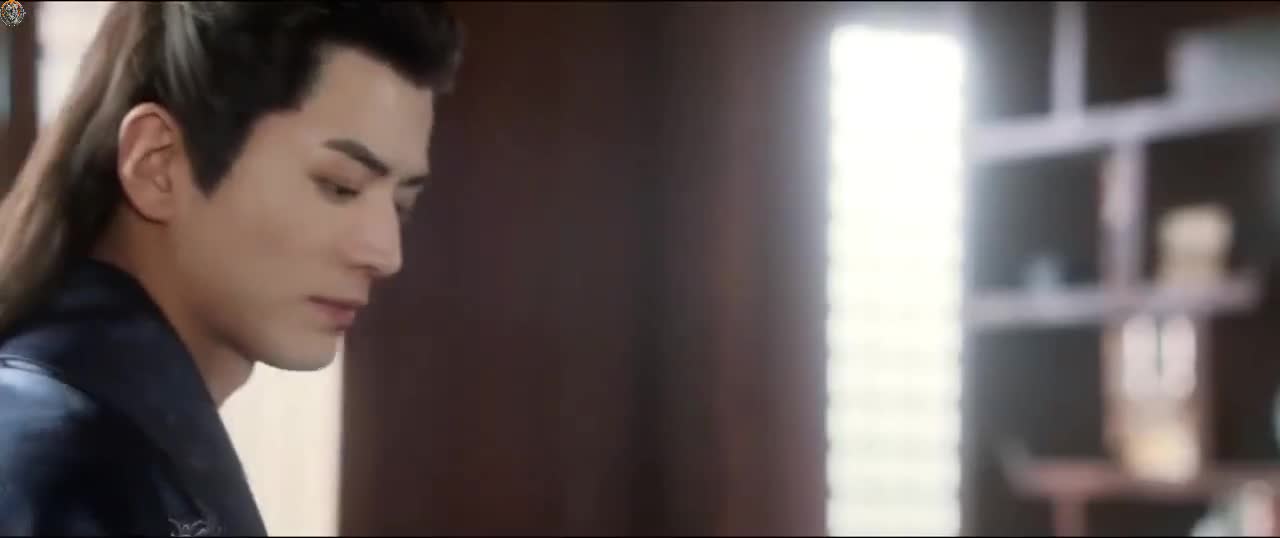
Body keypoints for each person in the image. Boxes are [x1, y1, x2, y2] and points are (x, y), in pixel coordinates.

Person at [0, 2, 461, 535]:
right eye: (339, 186)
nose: (385, 253)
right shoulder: (59, 457)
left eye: (401, 205)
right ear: (157, 165)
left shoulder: (103, 432)